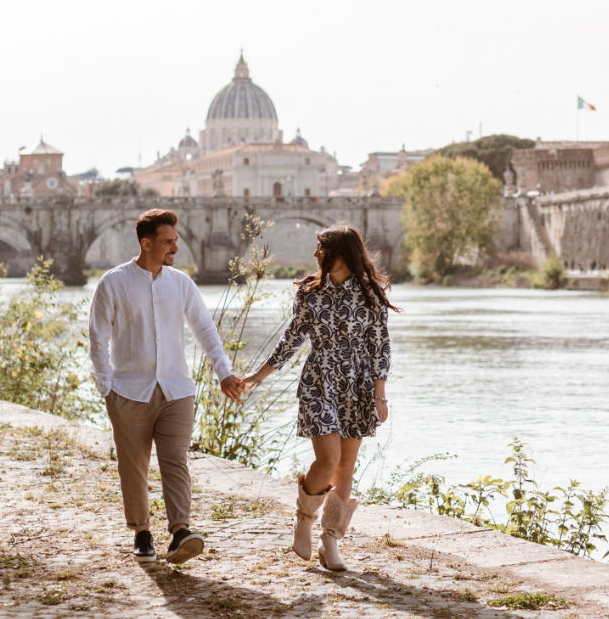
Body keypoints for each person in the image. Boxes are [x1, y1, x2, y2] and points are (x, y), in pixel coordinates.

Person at [88, 208, 242, 565]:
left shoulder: (182, 283)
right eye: (168, 242)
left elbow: (205, 330)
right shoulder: (113, 282)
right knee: (134, 465)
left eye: (175, 240)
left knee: (175, 461)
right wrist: (105, 387)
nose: (176, 247)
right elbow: (98, 336)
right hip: (128, 391)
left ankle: (180, 532)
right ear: (146, 243)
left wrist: (224, 373)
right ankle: (142, 532)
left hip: (176, 390)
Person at [243, 224, 398, 571]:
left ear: (340, 253)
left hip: (357, 385)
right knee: (327, 461)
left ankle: (331, 542)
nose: (315, 254)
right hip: (319, 381)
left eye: (321, 248)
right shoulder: (309, 292)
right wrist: (259, 374)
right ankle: (304, 519)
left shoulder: (371, 293)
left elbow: (380, 345)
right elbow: (292, 338)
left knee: (346, 466)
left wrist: (380, 393)